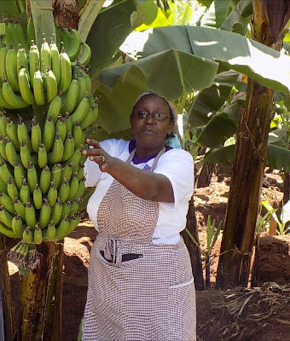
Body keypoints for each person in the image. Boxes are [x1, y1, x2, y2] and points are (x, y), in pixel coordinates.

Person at [81, 92, 196, 341]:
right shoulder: (114, 149)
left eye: (158, 116)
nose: (149, 120)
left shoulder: (178, 160)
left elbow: (154, 189)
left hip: (157, 273)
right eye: (141, 114)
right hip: (107, 272)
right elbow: (81, 171)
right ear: (132, 121)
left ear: (170, 126)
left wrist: (111, 165)